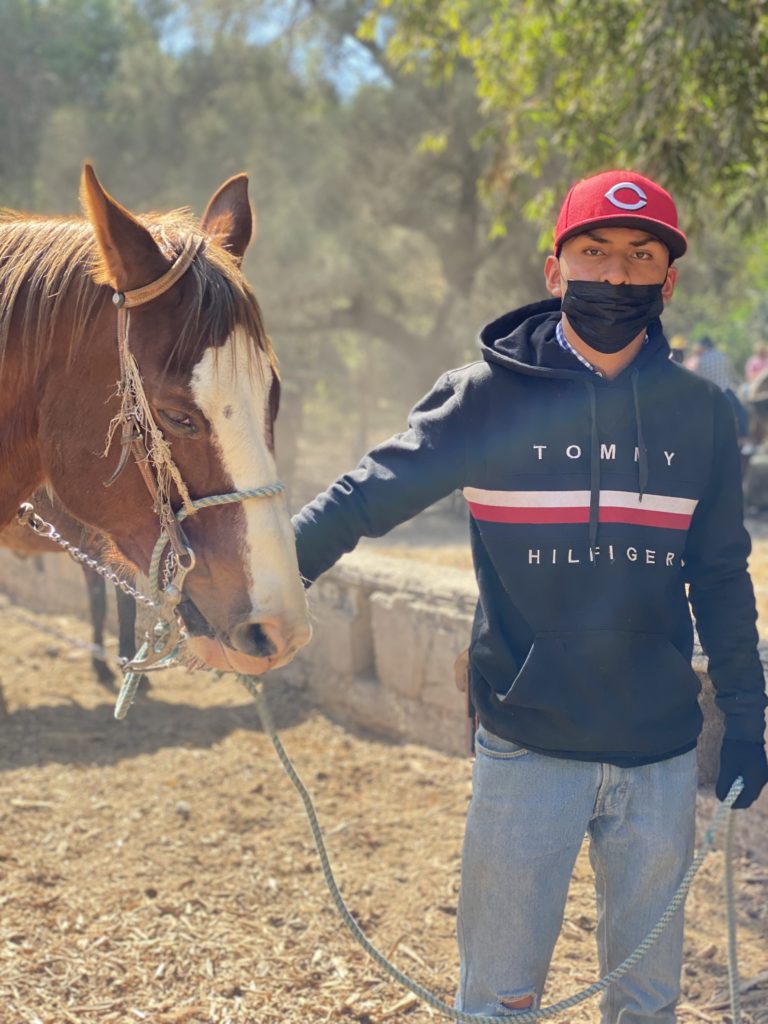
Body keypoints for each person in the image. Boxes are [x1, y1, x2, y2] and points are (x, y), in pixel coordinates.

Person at [291, 169, 768, 1022]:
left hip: (659, 757)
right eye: (594, 252)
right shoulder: (484, 398)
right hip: (526, 754)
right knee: (499, 1006)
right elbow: (368, 494)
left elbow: (723, 578)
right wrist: (268, 576)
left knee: (647, 1006)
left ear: (668, 279)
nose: (615, 277)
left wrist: (747, 715)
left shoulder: (703, 414)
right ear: (554, 271)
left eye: (638, 256)